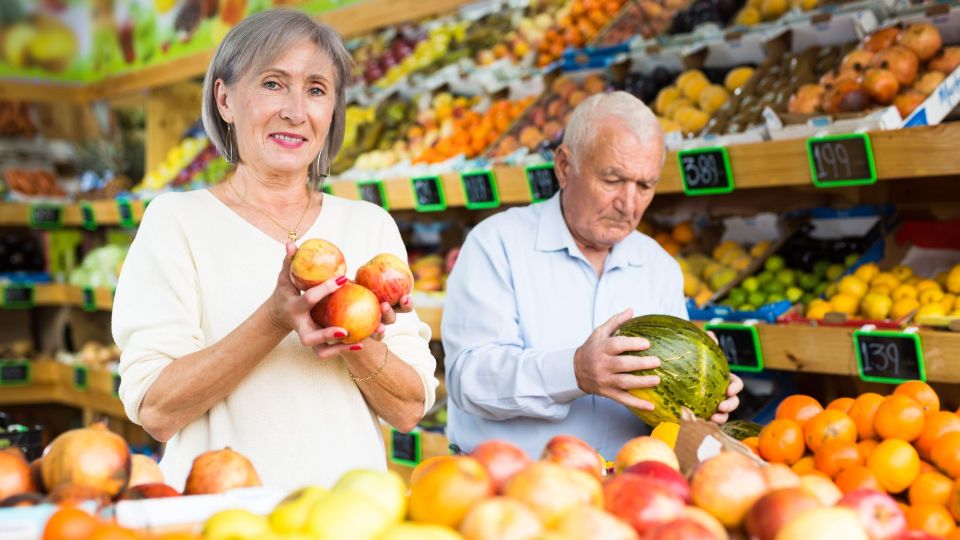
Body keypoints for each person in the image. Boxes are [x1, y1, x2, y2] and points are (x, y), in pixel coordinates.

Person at [112, 10, 437, 491]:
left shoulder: (369, 227)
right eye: (272, 84)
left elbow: (409, 409)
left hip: (348, 517)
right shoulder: (177, 223)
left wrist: (352, 336)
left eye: (316, 89)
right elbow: (156, 411)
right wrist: (274, 318)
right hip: (222, 516)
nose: (295, 111)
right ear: (224, 99)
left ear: (332, 110)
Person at [442, 91, 742, 460]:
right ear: (565, 167)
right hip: (514, 486)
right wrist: (575, 371)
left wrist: (702, 398)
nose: (628, 204)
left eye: (645, 185)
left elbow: (665, 402)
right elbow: (469, 380)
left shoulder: (658, 266)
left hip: (631, 484)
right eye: (613, 179)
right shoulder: (497, 244)